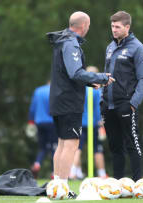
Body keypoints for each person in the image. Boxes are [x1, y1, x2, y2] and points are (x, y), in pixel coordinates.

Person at [46, 11, 115, 196]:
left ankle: (57, 187)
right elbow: (75, 73)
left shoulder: (62, 41)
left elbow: (68, 73)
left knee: (62, 143)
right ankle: (63, 188)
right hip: (69, 101)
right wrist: (100, 77)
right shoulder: (70, 43)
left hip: (59, 99)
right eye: (89, 26)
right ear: (83, 26)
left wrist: (88, 82)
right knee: (71, 144)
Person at [101, 11, 143, 181]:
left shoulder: (138, 48)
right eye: (112, 26)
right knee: (115, 147)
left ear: (127, 27)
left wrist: (133, 103)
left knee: (132, 145)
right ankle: (117, 185)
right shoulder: (110, 47)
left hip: (126, 104)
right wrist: (102, 98)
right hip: (108, 105)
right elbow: (105, 76)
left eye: (117, 27)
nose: (113, 30)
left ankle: (138, 185)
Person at [70, 66, 108, 179]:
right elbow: (98, 108)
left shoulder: (80, 88)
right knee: (97, 149)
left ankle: (73, 172)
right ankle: (102, 174)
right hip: (93, 123)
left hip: (80, 122)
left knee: (77, 148)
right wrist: (101, 123)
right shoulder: (97, 90)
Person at [28, 81, 58, 178]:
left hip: (39, 122)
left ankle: (37, 164)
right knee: (54, 146)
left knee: (43, 147)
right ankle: (54, 172)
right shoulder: (56, 90)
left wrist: (31, 121)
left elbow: (32, 108)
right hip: (52, 122)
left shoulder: (38, 91)